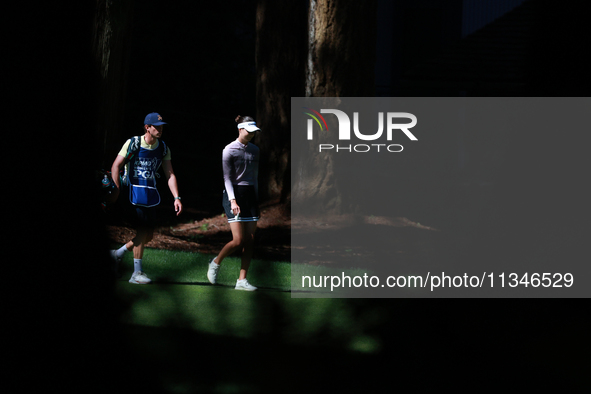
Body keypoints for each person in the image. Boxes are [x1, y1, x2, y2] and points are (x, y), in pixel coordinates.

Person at [109, 112, 183, 284]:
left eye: (161, 126)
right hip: (132, 192)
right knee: (142, 231)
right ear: (147, 127)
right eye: (156, 126)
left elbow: (170, 174)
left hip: (150, 194)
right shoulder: (133, 142)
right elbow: (115, 165)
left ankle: (117, 254)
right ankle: (137, 274)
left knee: (148, 235)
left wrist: (176, 197)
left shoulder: (163, 147)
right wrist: (116, 189)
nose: (160, 129)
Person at [207, 115, 261, 291]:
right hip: (233, 194)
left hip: (250, 195)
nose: (252, 135)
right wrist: (232, 200)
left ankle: (241, 280)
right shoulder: (229, 150)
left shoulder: (255, 150)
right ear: (240, 129)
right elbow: (227, 178)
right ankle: (215, 263)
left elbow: (255, 176)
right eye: (249, 131)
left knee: (250, 240)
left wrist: (257, 197)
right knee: (238, 240)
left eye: (254, 132)